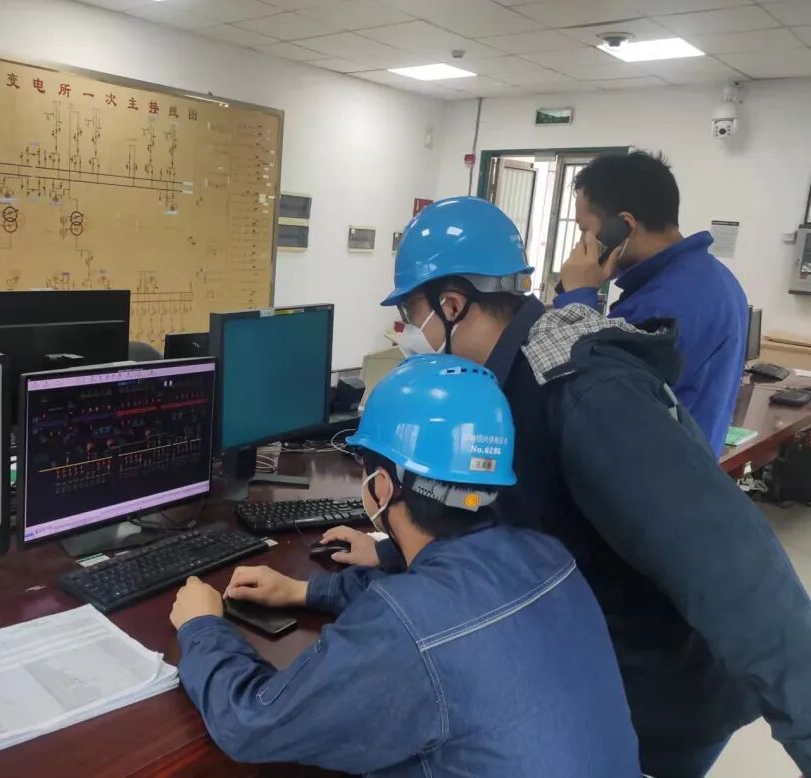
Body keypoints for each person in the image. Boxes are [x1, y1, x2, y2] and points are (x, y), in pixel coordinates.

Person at [324, 196, 811, 778]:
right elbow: (516, 519)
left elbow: (738, 575)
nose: (408, 333)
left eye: (410, 314)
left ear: (452, 305)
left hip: (656, 696)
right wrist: (390, 549)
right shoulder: (505, 382)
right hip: (597, 657)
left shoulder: (585, 393)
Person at [169, 355, 641, 777]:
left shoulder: (406, 627)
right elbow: (448, 597)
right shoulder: (548, 555)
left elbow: (251, 723)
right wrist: (305, 591)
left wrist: (201, 626)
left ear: (380, 486)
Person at [554, 151, 748, 455]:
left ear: (624, 226)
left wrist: (577, 297)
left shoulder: (659, 307)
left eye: (584, 230)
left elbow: (591, 397)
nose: (582, 244)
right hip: (688, 463)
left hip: (651, 468)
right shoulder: (714, 277)